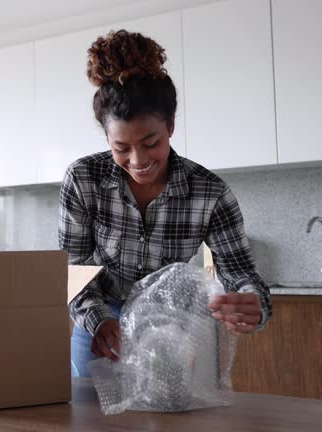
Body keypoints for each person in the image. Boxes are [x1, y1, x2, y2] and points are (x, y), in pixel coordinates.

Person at [59, 29, 272, 377]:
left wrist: (252, 303)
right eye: (121, 148)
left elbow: (240, 273)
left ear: (171, 126)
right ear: (107, 138)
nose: (138, 159)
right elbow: (74, 269)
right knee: (88, 419)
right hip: (100, 320)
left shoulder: (210, 193)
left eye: (150, 142)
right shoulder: (83, 179)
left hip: (170, 324)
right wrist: (99, 321)